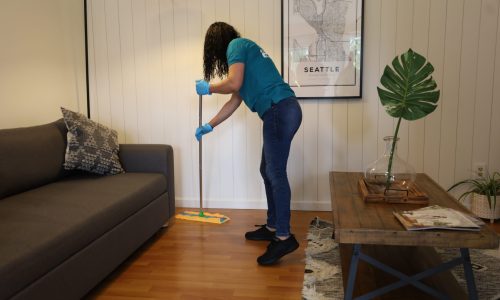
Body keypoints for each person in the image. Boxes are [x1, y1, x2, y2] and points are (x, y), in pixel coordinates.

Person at [194, 22, 302, 265]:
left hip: (279, 109)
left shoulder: (236, 46)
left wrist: (209, 88)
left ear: (218, 42)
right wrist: (209, 125)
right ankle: (274, 226)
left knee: (275, 172)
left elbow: (232, 83)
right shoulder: (245, 54)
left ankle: (284, 236)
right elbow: (234, 100)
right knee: (268, 170)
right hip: (284, 110)